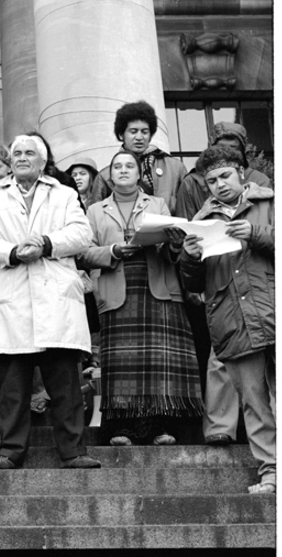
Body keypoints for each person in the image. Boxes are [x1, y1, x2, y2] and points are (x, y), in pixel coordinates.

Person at [0, 133, 100, 470]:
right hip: (12, 296)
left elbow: (82, 234)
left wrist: (46, 243)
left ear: (42, 162)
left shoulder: (65, 193)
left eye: (30, 153)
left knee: (66, 382)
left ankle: (74, 451)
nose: (23, 157)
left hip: (54, 296)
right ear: (10, 161)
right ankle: (10, 450)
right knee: (12, 384)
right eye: (17, 153)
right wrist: (11, 252)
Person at [80, 151, 203, 446]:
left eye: (129, 166)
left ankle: (159, 427)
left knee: (157, 365)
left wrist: (175, 244)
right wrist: (112, 251)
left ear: (138, 174)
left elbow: (174, 251)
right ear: (110, 176)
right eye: (117, 166)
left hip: (157, 286)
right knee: (122, 368)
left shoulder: (158, 204)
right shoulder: (95, 211)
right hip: (116, 288)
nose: (123, 170)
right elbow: (82, 253)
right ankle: (120, 430)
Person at [175, 145, 275, 495]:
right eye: (211, 181)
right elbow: (192, 283)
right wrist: (188, 259)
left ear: (241, 174)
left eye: (224, 176)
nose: (218, 185)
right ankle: (272, 474)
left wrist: (257, 234)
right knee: (255, 403)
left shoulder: (272, 203)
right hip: (232, 322)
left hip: (274, 312)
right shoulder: (201, 222)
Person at [90, 100, 187, 215]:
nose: (139, 137)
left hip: (168, 231)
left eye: (145, 132)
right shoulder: (105, 176)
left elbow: (187, 208)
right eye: (133, 131)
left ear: (150, 135)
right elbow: (96, 216)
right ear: (121, 134)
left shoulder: (175, 167)